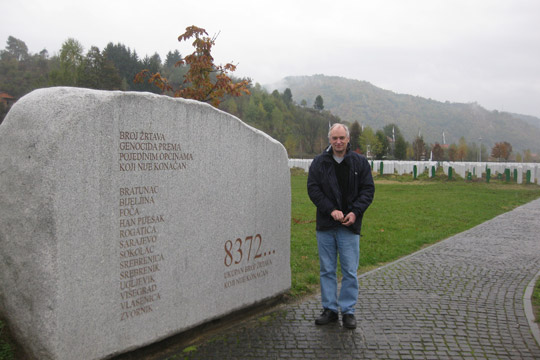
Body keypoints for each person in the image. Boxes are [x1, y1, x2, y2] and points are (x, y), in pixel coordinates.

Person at [307, 123, 375, 329]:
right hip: (326, 224)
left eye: (341, 138)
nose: (338, 142)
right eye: (334, 138)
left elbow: (368, 190)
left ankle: (348, 311)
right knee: (327, 269)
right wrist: (330, 210)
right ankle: (329, 309)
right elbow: (313, 189)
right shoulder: (319, 163)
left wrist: (355, 212)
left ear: (347, 140)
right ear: (329, 139)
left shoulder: (359, 163)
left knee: (350, 270)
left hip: (349, 226)